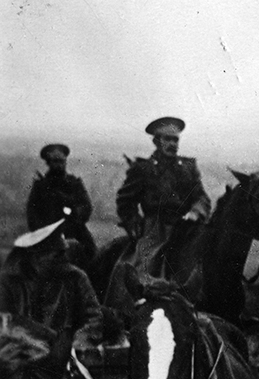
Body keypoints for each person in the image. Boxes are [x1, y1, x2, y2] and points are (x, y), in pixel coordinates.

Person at [115, 117, 212, 277]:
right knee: (144, 269)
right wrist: (135, 225)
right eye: (167, 139)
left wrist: (195, 212)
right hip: (156, 230)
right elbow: (125, 202)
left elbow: (201, 196)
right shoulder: (143, 168)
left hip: (186, 227)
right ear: (156, 141)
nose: (172, 144)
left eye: (175, 140)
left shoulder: (188, 167)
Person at [0, 219, 104, 347]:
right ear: (35, 255)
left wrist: (78, 343)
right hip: (20, 351)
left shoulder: (76, 277)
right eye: (57, 255)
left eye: (63, 252)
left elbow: (94, 319)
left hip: (65, 352)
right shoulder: (9, 281)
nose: (64, 259)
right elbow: (5, 322)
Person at [26, 143, 96, 266]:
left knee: (92, 257)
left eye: (62, 161)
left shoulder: (74, 183)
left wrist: (73, 210)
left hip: (74, 232)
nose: (59, 165)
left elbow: (86, 206)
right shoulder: (40, 186)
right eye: (55, 161)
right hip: (48, 234)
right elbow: (32, 213)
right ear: (49, 163)